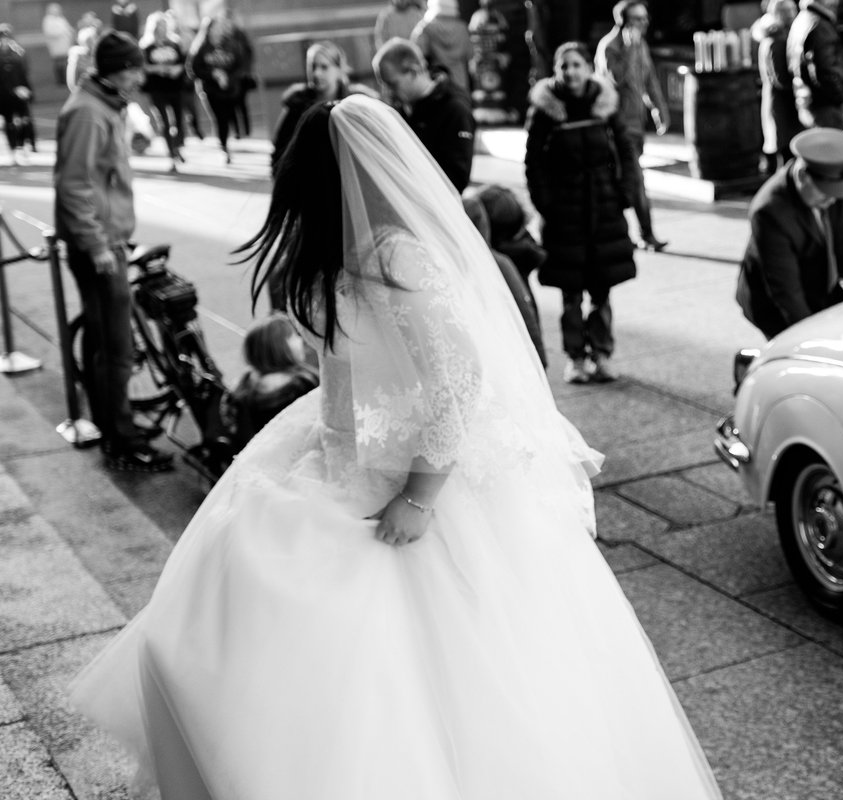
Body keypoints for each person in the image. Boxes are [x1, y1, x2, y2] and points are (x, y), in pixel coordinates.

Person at [68, 94, 724, 800]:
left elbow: (459, 379)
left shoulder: (395, 257)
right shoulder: (346, 251)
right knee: (220, 617)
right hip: (343, 447)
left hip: (411, 476)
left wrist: (419, 495)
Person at [54, 31, 172, 471]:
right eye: (134, 69)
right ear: (116, 71)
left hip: (106, 240)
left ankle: (113, 424)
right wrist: (98, 246)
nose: (140, 76)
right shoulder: (89, 112)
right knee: (116, 347)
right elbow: (74, 186)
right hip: (99, 247)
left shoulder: (104, 105)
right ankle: (121, 438)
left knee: (105, 341)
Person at [527, 42, 637, 385]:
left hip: (603, 207)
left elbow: (626, 152)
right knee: (571, 290)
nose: (571, 72)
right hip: (565, 213)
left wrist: (624, 194)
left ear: (589, 68)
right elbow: (533, 163)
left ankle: (602, 354)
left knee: (602, 287)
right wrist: (546, 205)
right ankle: (575, 357)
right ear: (556, 71)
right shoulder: (546, 112)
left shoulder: (605, 106)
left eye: (576, 65)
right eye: (564, 66)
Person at [736, 128, 843, 339]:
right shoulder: (769, 211)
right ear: (802, 175)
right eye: (825, 194)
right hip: (777, 302)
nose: (832, 200)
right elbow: (787, 293)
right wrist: (812, 339)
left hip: (829, 287)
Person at [595, 0, 669, 252]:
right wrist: (628, 49)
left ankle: (634, 234)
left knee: (631, 180)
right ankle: (645, 234)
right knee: (634, 180)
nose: (645, 23)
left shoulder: (640, 44)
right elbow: (617, 79)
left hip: (637, 124)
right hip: (616, 126)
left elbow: (649, 79)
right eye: (639, 18)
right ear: (623, 22)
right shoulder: (609, 47)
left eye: (645, 18)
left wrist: (659, 109)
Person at [373, 37, 475, 193]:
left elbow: (457, 178)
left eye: (392, 84)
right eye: (384, 86)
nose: (388, 93)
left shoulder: (454, 109)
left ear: (413, 71)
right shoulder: (400, 107)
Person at [463, 192, 548, 367]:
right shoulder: (516, 254)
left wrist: (539, 362)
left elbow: (526, 318)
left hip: (505, 358)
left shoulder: (498, 263)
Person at [272, 40, 378, 177]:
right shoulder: (297, 104)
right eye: (312, 67)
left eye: (324, 67)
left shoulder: (356, 102)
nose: (316, 73)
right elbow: (280, 151)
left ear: (338, 69)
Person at [223, 314, 318, 452]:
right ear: (279, 347)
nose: (300, 340)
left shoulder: (242, 388)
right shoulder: (303, 385)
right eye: (294, 336)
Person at [187, 11, 252, 164]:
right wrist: (213, 74)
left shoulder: (231, 43)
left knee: (228, 117)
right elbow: (193, 69)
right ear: (209, 29)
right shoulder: (201, 47)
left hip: (230, 89)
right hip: (210, 90)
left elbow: (241, 65)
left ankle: (226, 142)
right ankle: (224, 148)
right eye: (216, 27)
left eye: (220, 26)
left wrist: (229, 77)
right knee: (219, 118)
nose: (219, 29)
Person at [787, 0, 843, 129]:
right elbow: (825, 71)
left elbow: (791, 65)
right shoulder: (820, 25)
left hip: (806, 102)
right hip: (826, 107)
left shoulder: (801, 19)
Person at [753, 0, 800, 175]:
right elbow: (780, 78)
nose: (792, 14)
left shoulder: (775, 37)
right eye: (787, 11)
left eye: (792, 10)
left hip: (777, 99)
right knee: (784, 149)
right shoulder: (776, 40)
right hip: (781, 102)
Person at [141, 11, 188, 170]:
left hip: (175, 87)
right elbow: (143, 67)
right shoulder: (147, 46)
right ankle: (172, 154)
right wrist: (158, 69)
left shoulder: (174, 43)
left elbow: (183, 63)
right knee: (164, 122)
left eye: (164, 25)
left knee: (179, 121)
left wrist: (176, 70)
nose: (162, 28)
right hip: (157, 88)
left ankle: (178, 146)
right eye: (159, 25)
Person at [411, 0, 472, 92]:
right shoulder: (462, 28)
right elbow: (470, 54)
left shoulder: (426, 27)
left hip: (436, 86)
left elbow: (415, 54)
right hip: (461, 85)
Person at [0, 24, 35, 164]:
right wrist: (12, 89)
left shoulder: (18, 53)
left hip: (20, 93)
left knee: (25, 120)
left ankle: (23, 146)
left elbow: (24, 74)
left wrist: (28, 90)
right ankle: (13, 151)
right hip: (4, 96)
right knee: (9, 123)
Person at [42, 3, 75, 87]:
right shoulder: (48, 20)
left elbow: (68, 28)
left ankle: (66, 78)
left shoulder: (61, 19)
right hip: (56, 45)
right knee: (58, 63)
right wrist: (62, 33)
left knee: (65, 62)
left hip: (64, 44)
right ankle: (60, 80)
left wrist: (70, 32)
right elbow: (49, 32)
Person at [66, 25, 98, 92]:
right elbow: (72, 81)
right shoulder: (77, 57)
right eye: (89, 42)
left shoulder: (98, 56)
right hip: (83, 92)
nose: (92, 44)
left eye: (93, 40)